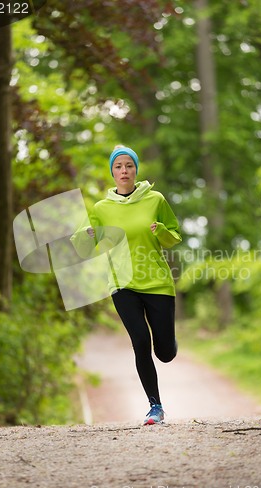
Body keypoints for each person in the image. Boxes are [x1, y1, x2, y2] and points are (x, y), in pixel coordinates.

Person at [70, 145, 182, 425]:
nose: (124, 171)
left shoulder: (155, 199)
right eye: (118, 166)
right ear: (112, 171)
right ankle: (155, 407)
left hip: (157, 282)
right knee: (140, 341)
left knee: (164, 353)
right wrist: (87, 234)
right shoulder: (101, 208)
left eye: (128, 166)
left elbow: (174, 236)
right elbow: (83, 247)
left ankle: (169, 344)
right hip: (122, 284)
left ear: (136, 170)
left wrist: (163, 231)